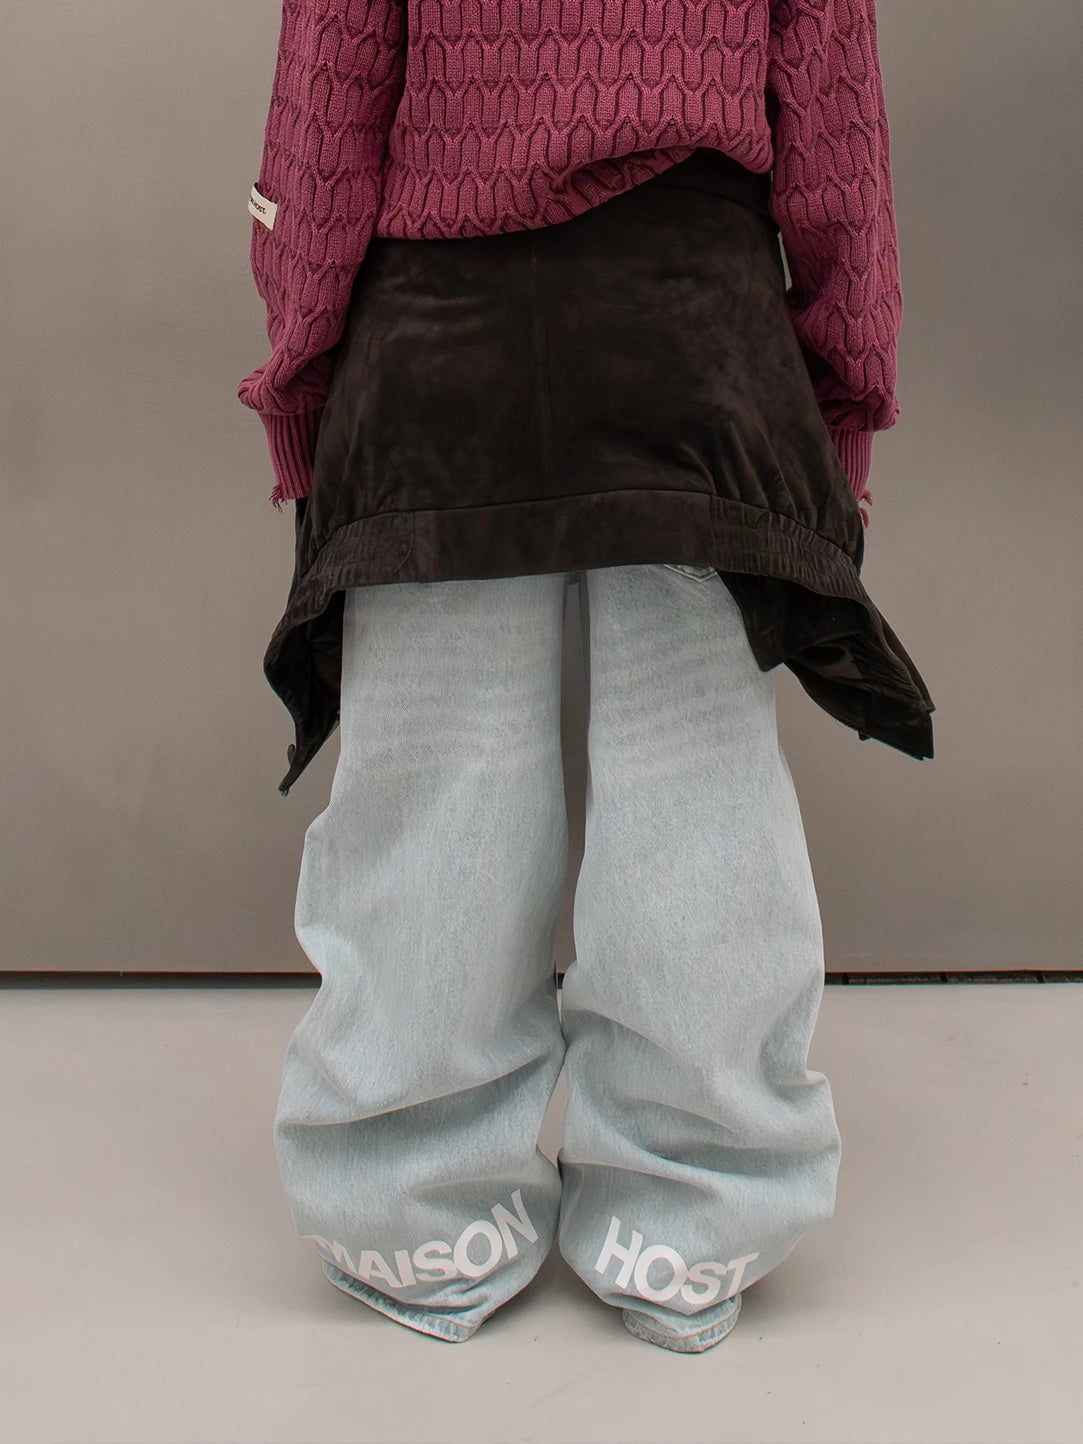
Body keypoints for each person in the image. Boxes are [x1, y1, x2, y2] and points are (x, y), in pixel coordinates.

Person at [238, 0, 935, 1353]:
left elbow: (327, 93)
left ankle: (411, 1205)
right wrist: (843, 391)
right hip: (695, 344)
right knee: (696, 794)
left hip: (438, 345)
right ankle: (697, 1208)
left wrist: (303, 371)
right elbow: (836, 116)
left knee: (437, 787)